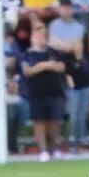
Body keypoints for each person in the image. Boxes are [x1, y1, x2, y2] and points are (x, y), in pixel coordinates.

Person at [21, 21, 67, 161]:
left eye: (43, 33)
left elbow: (61, 67)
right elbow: (28, 71)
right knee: (39, 122)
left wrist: (45, 66)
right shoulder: (28, 54)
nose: (42, 36)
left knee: (54, 121)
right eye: (39, 33)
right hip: (36, 93)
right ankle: (43, 150)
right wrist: (45, 65)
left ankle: (55, 149)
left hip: (54, 91)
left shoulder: (54, 52)